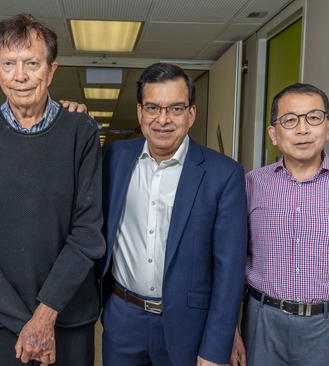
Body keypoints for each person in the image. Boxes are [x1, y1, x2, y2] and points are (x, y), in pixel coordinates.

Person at [0, 14, 105, 366]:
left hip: (66, 318)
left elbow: (87, 232)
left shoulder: (81, 133)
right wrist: (26, 324)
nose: (20, 76)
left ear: (52, 70)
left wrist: (45, 316)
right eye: (9, 63)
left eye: (32, 63)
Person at [231, 83, 329, 366]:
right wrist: (231, 333)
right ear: (273, 134)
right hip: (263, 322)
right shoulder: (250, 185)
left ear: (328, 127)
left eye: (313, 118)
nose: (303, 129)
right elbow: (231, 266)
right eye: (290, 120)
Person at [99, 62, 248, 366]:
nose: (162, 119)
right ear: (140, 112)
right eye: (153, 107)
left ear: (191, 114)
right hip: (123, 317)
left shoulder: (223, 174)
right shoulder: (113, 159)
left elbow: (229, 271)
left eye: (175, 109)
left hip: (188, 326)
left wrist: (215, 348)